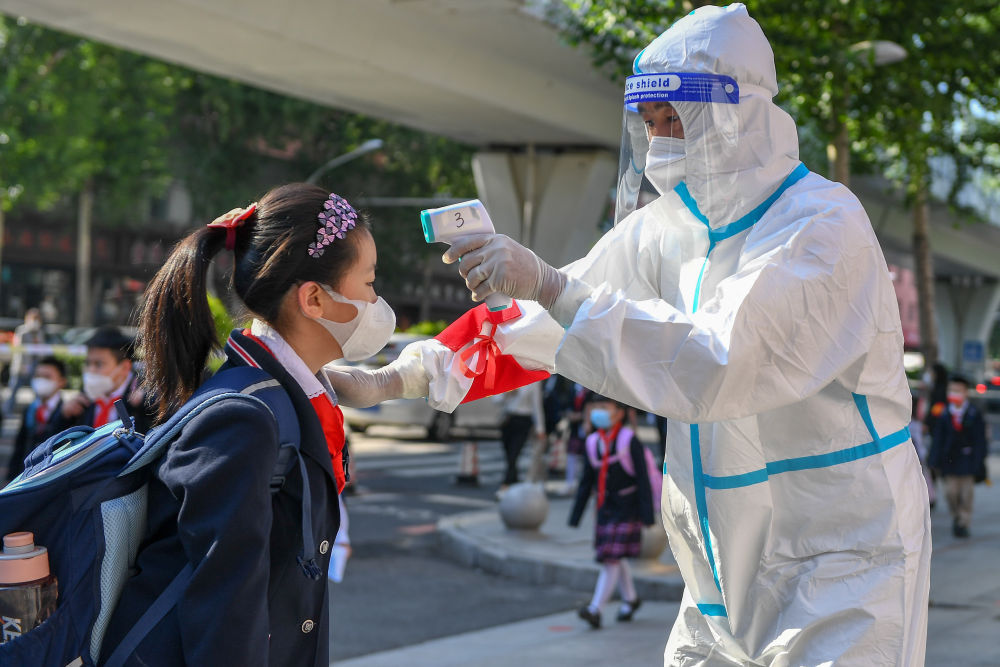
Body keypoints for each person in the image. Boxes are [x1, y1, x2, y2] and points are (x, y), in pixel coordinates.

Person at [326, 5, 931, 664]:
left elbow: (714, 365)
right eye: (650, 124)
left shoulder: (820, 227)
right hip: (717, 573)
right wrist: (400, 376)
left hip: (842, 563)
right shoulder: (667, 231)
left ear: (740, 113)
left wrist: (553, 285)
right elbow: (548, 329)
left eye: (677, 118)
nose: (663, 141)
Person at [100, 184, 395, 666]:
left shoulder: (280, 397)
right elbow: (225, 616)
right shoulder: (243, 418)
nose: (377, 300)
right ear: (314, 300)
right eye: (369, 282)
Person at [569, 395, 654, 630]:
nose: (598, 412)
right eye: (595, 407)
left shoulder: (629, 440)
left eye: (605, 407)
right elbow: (587, 481)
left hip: (628, 507)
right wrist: (575, 515)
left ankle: (595, 609)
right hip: (605, 508)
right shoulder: (592, 441)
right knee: (614, 557)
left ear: (620, 412)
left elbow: (644, 479)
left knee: (610, 558)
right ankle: (631, 600)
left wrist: (648, 515)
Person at [60, 326, 157, 434]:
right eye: (88, 363)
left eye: (99, 364)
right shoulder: (84, 399)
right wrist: (64, 417)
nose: (91, 370)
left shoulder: (145, 397)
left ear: (124, 367)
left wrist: (146, 403)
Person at [929, 375, 989, 538]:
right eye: (951, 390)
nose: (954, 393)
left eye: (958, 390)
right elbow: (937, 439)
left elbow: (980, 440)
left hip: (968, 461)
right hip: (949, 461)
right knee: (951, 493)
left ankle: (963, 522)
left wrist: (979, 459)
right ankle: (957, 516)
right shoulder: (943, 413)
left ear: (965, 393)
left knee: (966, 495)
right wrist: (934, 460)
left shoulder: (973, 413)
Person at [7, 356, 69, 481]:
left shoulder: (67, 413)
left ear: (62, 381)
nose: (41, 381)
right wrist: (11, 477)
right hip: (25, 477)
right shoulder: (30, 409)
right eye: (38, 376)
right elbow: (20, 446)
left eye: (47, 377)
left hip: (53, 477)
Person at [498, 381, 546, 491]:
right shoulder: (509, 375)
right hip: (508, 419)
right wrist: (507, 394)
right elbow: (496, 400)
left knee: (514, 453)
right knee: (508, 453)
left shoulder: (533, 379)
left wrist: (540, 428)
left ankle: (506, 483)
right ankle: (513, 481)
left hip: (524, 421)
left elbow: (536, 405)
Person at [3, 307, 47, 413]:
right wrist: (24, 365)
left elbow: (42, 349)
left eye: (37, 318)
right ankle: (6, 412)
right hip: (21, 366)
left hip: (35, 366)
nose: (35, 321)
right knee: (14, 390)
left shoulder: (40, 332)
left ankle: (38, 412)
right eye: (33, 318)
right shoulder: (22, 331)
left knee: (37, 391)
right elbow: (19, 349)